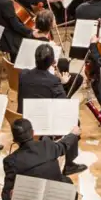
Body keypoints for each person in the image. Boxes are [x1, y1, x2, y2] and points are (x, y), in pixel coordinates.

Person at [17, 43, 86, 175]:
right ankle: (69, 164)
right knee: (75, 122)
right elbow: (64, 106)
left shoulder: (23, 74)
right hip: (42, 122)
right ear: (52, 62)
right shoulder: (53, 81)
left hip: (25, 118)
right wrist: (63, 83)